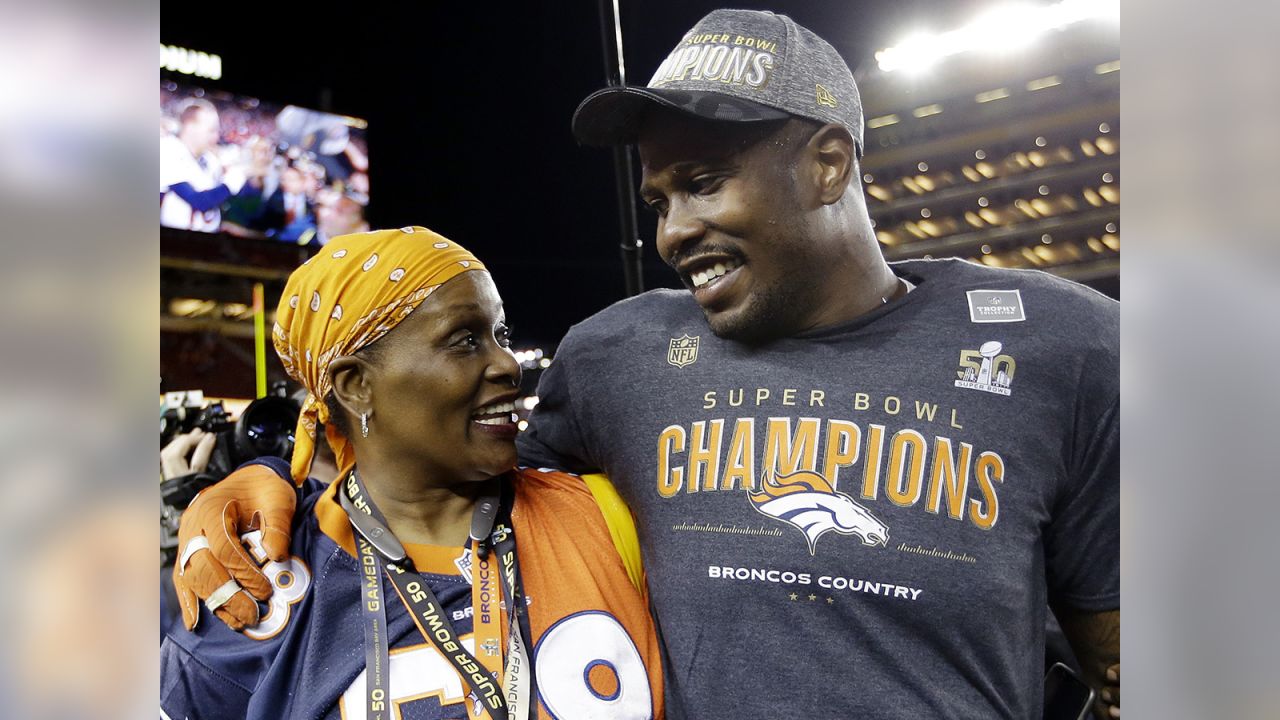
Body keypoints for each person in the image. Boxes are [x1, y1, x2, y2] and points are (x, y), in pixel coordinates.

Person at [173, 9, 1119, 719]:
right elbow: (461, 496)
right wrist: (260, 486)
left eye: (704, 184)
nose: (674, 231)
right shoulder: (617, 356)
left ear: (829, 165)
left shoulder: (1063, 347)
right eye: (659, 198)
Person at [161, 227, 664, 719]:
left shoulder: (604, 514)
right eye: (465, 340)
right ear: (356, 385)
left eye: (500, 335)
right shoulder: (256, 583)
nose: (509, 364)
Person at [160, 99, 264, 232]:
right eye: (211, 131)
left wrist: (253, 181)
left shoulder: (208, 158)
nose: (216, 137)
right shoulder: (167, 150)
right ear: (190, 127)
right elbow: (198, 202)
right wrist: (230, 184)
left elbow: (229, 194)